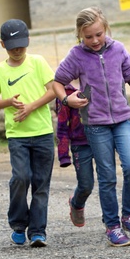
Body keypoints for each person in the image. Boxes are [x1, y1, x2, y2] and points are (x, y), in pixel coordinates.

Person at [52, 7, 130, 247]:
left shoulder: (118, 49)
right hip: (95, 124)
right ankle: (112, 225)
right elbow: (58, 82)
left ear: (106, 28)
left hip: (122, 120)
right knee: (107, 176)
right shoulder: (77, 55)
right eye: (88, 37)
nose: (94, 40)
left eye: (98, 34)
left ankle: (129, 216)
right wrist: (67, 99)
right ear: (80, 35)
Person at [0, 19, 56, 248]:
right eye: (13, 46)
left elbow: (53, 90)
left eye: (21, 45)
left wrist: (30, 107)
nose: (18, 50)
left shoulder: (38, 62)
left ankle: (37, 231)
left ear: (28, 42)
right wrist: (8, 102)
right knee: (21, 177)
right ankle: (18, 223)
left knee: (40, 183)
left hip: (43, 132)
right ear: (2, 44)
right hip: (17, 136)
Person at [55, 83, 89, 228]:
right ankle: (76, 203)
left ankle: (110, 222)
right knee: (86, 184)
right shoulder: (65, 91)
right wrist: (63, 154)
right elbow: (62, 124)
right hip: (79, 143)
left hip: (102, 138)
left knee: (108, 180)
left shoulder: (96, 80)